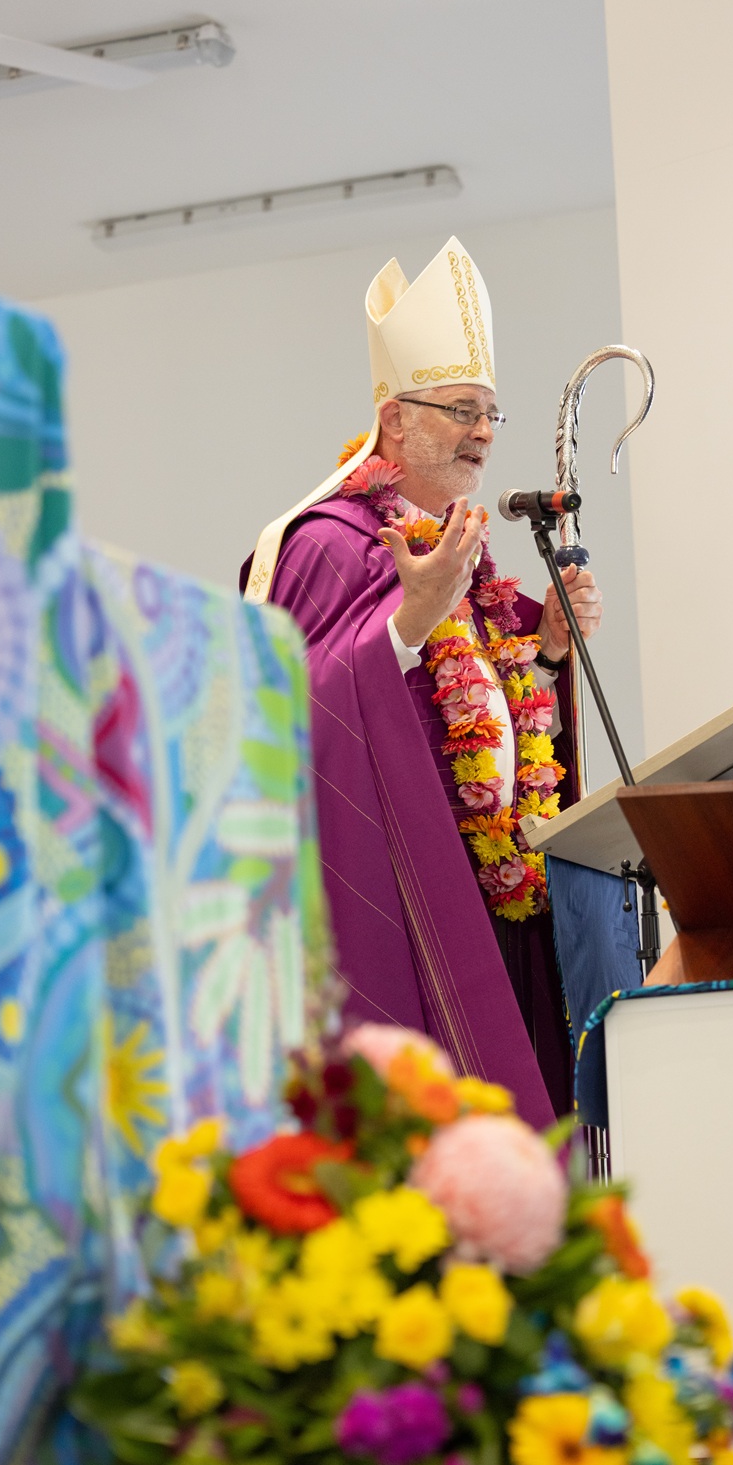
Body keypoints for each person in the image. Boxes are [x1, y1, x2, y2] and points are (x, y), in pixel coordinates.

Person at [240, 238, 602, 1126]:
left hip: (500, 905)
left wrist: (548, 650)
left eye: (490, 414)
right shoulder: (324, 544)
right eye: (461, 410)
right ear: (393, 423)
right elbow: (290, 719)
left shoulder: (463, 560)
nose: (483, 432)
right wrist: (406, 621)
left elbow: (497, 720)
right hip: (403, 911)